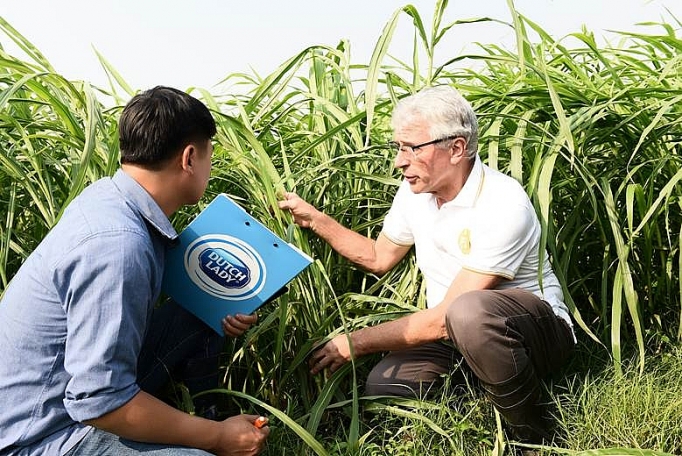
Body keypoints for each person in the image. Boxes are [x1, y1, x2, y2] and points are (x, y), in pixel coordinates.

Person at [278, 85, 575, 444]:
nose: (399, 161)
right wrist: (316, 219)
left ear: (456, 148)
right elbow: (378, 256)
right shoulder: (414, 193)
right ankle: (487, 399)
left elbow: (443, 317)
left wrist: (353, 343)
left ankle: (534, 437)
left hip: (535, 333)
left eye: (412, 148)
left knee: (468, 312)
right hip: (457, 333)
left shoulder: (503, 203)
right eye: (398, 148)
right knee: (385, 383)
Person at [0, 86, 269, 455]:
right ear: (189, 158)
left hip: (60, 393)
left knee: (202, 306)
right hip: (39, 435)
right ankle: (214, 430)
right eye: (210, 155)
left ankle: (207, 410)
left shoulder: (110, 197)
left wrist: (220, 305)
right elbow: (98, 401)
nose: (209, 165)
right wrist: (217, 437)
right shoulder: (119, 244)